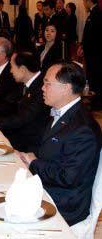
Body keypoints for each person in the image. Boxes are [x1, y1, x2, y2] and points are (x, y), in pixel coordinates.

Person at [18, 62, 101, 226]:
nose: (42, 88)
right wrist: (24, 155)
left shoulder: (82, 129)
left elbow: (68, 177)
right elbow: (46, 148)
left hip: (63, 204)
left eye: (47, 83)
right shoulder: (62, 111)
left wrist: (33, 163)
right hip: (47, 186)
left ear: (66, 88)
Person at [79, 0, 102, 109]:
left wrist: (85, 46)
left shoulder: (97, 13)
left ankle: (97, 103)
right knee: (92, 77)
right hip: (91, 53)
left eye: (84, 0)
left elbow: (95, 36)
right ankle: (95, 102)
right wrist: (82, 46)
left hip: (95, 54)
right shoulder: (92, 14)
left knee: (96, 77)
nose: (83, 2)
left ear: (89, 0)